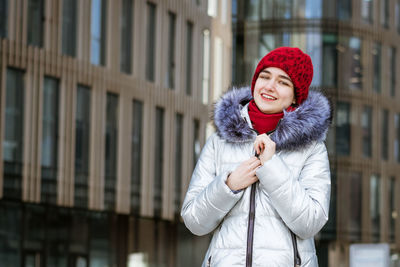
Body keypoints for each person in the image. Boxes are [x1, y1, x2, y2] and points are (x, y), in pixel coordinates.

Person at [181, 47, 332, 267]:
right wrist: (229, 185)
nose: (270, 86)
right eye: (265, 76)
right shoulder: (220, 141)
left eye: (283, 82)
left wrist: (271, 166)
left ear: (294, 96)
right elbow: (195, 221)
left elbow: (310, 223)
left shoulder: (311, 149)